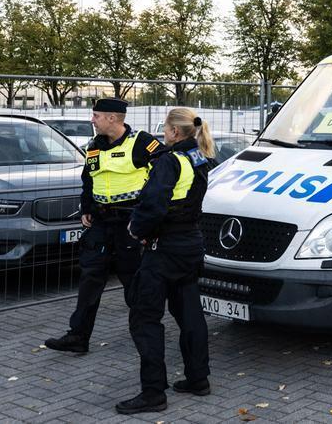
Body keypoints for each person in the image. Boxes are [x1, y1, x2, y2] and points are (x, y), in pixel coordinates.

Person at [115, 107, 214, 414]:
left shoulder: (169, 161)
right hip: (191, 245)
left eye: (165, 130)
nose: (162, 135)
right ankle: (198, 379)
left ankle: (153, 393)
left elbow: (154, 204)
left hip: (165, 249)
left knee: (144, 318)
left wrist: (137, 230)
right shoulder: (201, 158)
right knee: (190, 314)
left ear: (173, 132)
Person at [45, 98, 162, 354]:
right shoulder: (94, 146)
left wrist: (147, 214)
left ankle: (146, 336)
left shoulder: (141, 142)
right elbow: (88, 178)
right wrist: (86, 207)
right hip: (100, 222)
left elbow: (163, 176)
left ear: (112, 118)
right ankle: (78, 336)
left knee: (134, 281)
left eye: (96, 115)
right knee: (89, 277)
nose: (92, 120)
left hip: (130, 223)